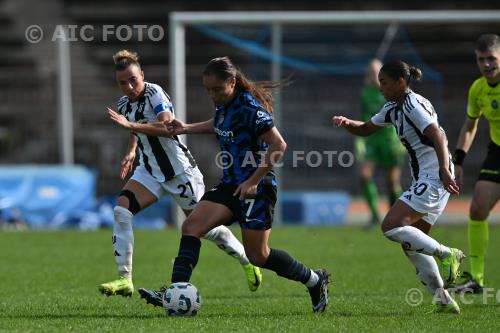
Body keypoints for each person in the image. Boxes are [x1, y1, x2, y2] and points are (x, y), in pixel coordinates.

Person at [139, 56, 330, 313]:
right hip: (231, 185)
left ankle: (315, 280)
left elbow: (279, 145)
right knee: (192, 226)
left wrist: (253, 181)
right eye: (208, 90)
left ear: (231, 82)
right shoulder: (224, 105)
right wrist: (185, 128)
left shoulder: (249, 107)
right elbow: (219, 126)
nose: (212, 95)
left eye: (216, 89)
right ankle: (175, 291)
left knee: (258, 256)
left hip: (257, 189)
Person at [99, 50, 262, 299]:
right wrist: (132, 150)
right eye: (123, 82)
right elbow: (136, 130)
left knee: (205, 229)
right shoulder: (124, 105)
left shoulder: (155, 93)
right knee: (121, 210)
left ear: (142, 75)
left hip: (180, 172)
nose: (129, 86)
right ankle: (124, 278)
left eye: (133, 79)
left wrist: (131, 125)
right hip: (150, 172)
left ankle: (246, 261)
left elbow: (167, 127)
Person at [332, 60, 465, 314]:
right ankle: (443, 300)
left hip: (433, 178)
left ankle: (448, 253)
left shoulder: (413, 105)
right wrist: (347, 122)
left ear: (400, 83)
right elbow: (367, 129)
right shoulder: (394, 108)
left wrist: (445, 170)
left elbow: (436, 134)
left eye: (384, 82)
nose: (380, 87)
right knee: (412, 243)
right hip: (428, 180)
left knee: (390, 226)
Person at [454, 34, 500, 294]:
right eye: (481, 59)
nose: (486, 64)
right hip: (497, 152)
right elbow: (470, 126)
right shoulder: (478, 88)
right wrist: (459, 159)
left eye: (491, 58)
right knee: (478, 208)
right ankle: (477, 279)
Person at [356, 59, 404, 228]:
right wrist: (359, 141)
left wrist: (400, 139)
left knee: (392, 183)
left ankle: (395, 217)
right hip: (371, 141)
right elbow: (363, 117)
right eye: (369, 72)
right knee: (365, 176)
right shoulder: (365, 93)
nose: (372, 76)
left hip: (390, 141)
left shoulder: (391, 92)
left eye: (375, 72)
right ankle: (375, 215)